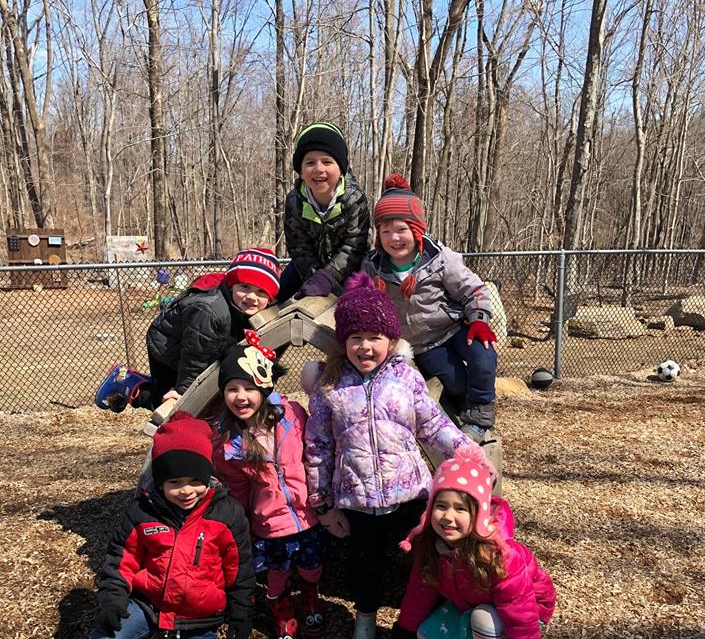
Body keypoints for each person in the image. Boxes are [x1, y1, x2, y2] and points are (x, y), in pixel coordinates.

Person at [303, 272, 483, 639]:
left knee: (428, 564)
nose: (364, 347)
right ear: (343, 342)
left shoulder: (405, 377)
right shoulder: (330, 386)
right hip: (357, 498)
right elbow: (317, 447)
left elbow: (433, 425)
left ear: (390, 339)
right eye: (355, 338)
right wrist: (323, 505)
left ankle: (437, 631)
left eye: (374, 337)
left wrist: (468, 453)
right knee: (365, 567)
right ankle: (365, 625)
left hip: (409, 496)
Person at [373, 442, 556, 639]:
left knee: (485, 618)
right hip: (470, 607)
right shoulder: (433, 547)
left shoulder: (499, 556)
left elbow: (521, 619)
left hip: (523, 616)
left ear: (479, 514)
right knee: (427, 638)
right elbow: (418, 597)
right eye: (441, 506)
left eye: (461, 509)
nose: (448, 517)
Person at [90, 411, 255, 639]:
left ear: (208, 475)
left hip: (201, 613)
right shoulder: (142, 512)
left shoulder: (227, 514)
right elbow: (121, 558)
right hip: (151, 603)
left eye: (195, 479)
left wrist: (241, 610)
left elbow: (239, 566)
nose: (186, 490)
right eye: (175, 482)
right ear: (160, 481)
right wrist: (112, 596)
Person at [212, 331, 324, 639]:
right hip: (269, 524)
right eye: (232, 389)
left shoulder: (292, 416)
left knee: (311, 566)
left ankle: (311, 600)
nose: (241, 396)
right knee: (276, 577)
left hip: (307, 516)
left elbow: (313, 456)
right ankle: (283, 620)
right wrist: (244, 522)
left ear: (263, 388)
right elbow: (238, 488)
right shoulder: (229, 442)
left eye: (248, 388)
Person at [363, 174, 498, 439]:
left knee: (484, 356)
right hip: (422, 344)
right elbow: (365, 302)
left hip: (453, 328)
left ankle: (481, 417)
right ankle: (462, 415)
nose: (394, 238)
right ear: (378, 235)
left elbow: (473, 289)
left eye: (401, 230)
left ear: (416, 231)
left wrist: (479, 319)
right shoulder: (373, 266)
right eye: (386, 231)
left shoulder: (439, 259)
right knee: (457, 384)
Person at [95, 248, 281, 413]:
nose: (252, 297)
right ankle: (129, 384)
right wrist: (183, 392)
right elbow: (195, 356)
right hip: (169, 348)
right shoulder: (209, 311)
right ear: (232, 285)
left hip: (205, 348)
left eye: (261, 292)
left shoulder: (239, 305)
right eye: (245, 287)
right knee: (170, 405)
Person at [279, 122, 370, 303]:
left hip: (350, 268)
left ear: (341, 169)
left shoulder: (355, 200)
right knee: (276, 292)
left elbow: (354, 247)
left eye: (327, 161)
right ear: (301, 171)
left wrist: (328, 277)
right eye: (310, 163)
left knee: (356, 305)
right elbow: (299, 247)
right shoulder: (294, 202)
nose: (319, 169)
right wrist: (315, 278)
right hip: (308, 268)